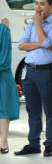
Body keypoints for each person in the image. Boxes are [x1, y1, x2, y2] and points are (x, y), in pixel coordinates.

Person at [15, 0, 52, 157]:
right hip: (29, 71)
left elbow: (48, 42)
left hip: (47, 71)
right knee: (32, 109)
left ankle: (50, 144)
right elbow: (22, 45)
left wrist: (37, 24)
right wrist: (41, 43)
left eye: (42, 4)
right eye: (36, 3)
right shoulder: (30, 24)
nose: (37, 7)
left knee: (50, 109)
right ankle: (33, 143)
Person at [0, 18, 20, 154]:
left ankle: (3, 142)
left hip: (2, 75)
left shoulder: (3, 29)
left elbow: (4, 59)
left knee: (3, 109)